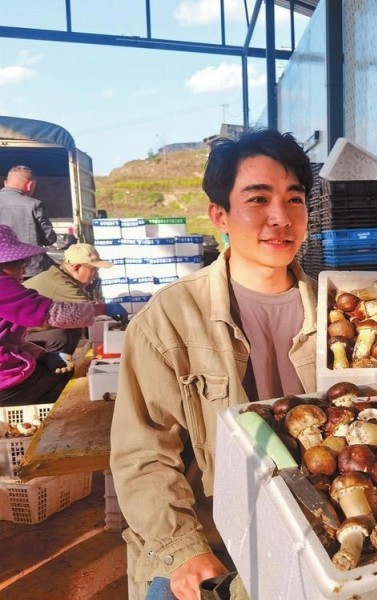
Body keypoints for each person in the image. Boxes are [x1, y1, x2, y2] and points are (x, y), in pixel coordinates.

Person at [110, 129, 318, 600]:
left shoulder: (341, 310)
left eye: (294, 199)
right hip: (215, 541)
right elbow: (143, 454)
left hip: (319, 526)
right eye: (258, 199)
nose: (280, 218)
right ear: (220, 215)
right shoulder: (168, 318)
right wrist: (183, 549)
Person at [0, 225, 106, 407]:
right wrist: (102, 309)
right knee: (70, 386)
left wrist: (41, 354)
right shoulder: (3, 286)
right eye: (20, 265)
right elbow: (57, 314)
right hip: (5, 382)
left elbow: (8, 339)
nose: (23, 271)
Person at [24, 243, 128, 355]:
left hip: (26, 329)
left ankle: (63, 360)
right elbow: (85, 310)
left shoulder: (59, 276)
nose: (96, 275)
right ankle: (55, 364)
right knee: (60, 335)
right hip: (17, 336)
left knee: (72, 327)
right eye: (93, 270)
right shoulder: (62, 285)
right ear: (76, 268)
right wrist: (105, 308)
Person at [0, 165, 57, 278]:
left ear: (5, 183)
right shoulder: (34, 205)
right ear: (30, 185)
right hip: (29, 269)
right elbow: (49, 239)